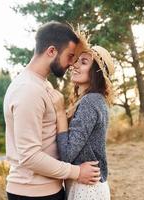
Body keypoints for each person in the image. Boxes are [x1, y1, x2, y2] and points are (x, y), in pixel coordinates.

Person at [3, 21, 101, 200]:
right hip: (32, 193)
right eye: (70, 56)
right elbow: (30, 156)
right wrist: (77, 172)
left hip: (47, 189)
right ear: (51, 51)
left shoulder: (41, 84)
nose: (72, 63)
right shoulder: (27, 90)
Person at [49, 44, 114, 200]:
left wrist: (59, 113)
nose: (74, 65)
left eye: (83, 62)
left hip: (86, 190)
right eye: (76, 60)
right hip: (86, 187)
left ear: (96, 73)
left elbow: (67, 154)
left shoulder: (90, 102)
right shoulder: (94, 100)